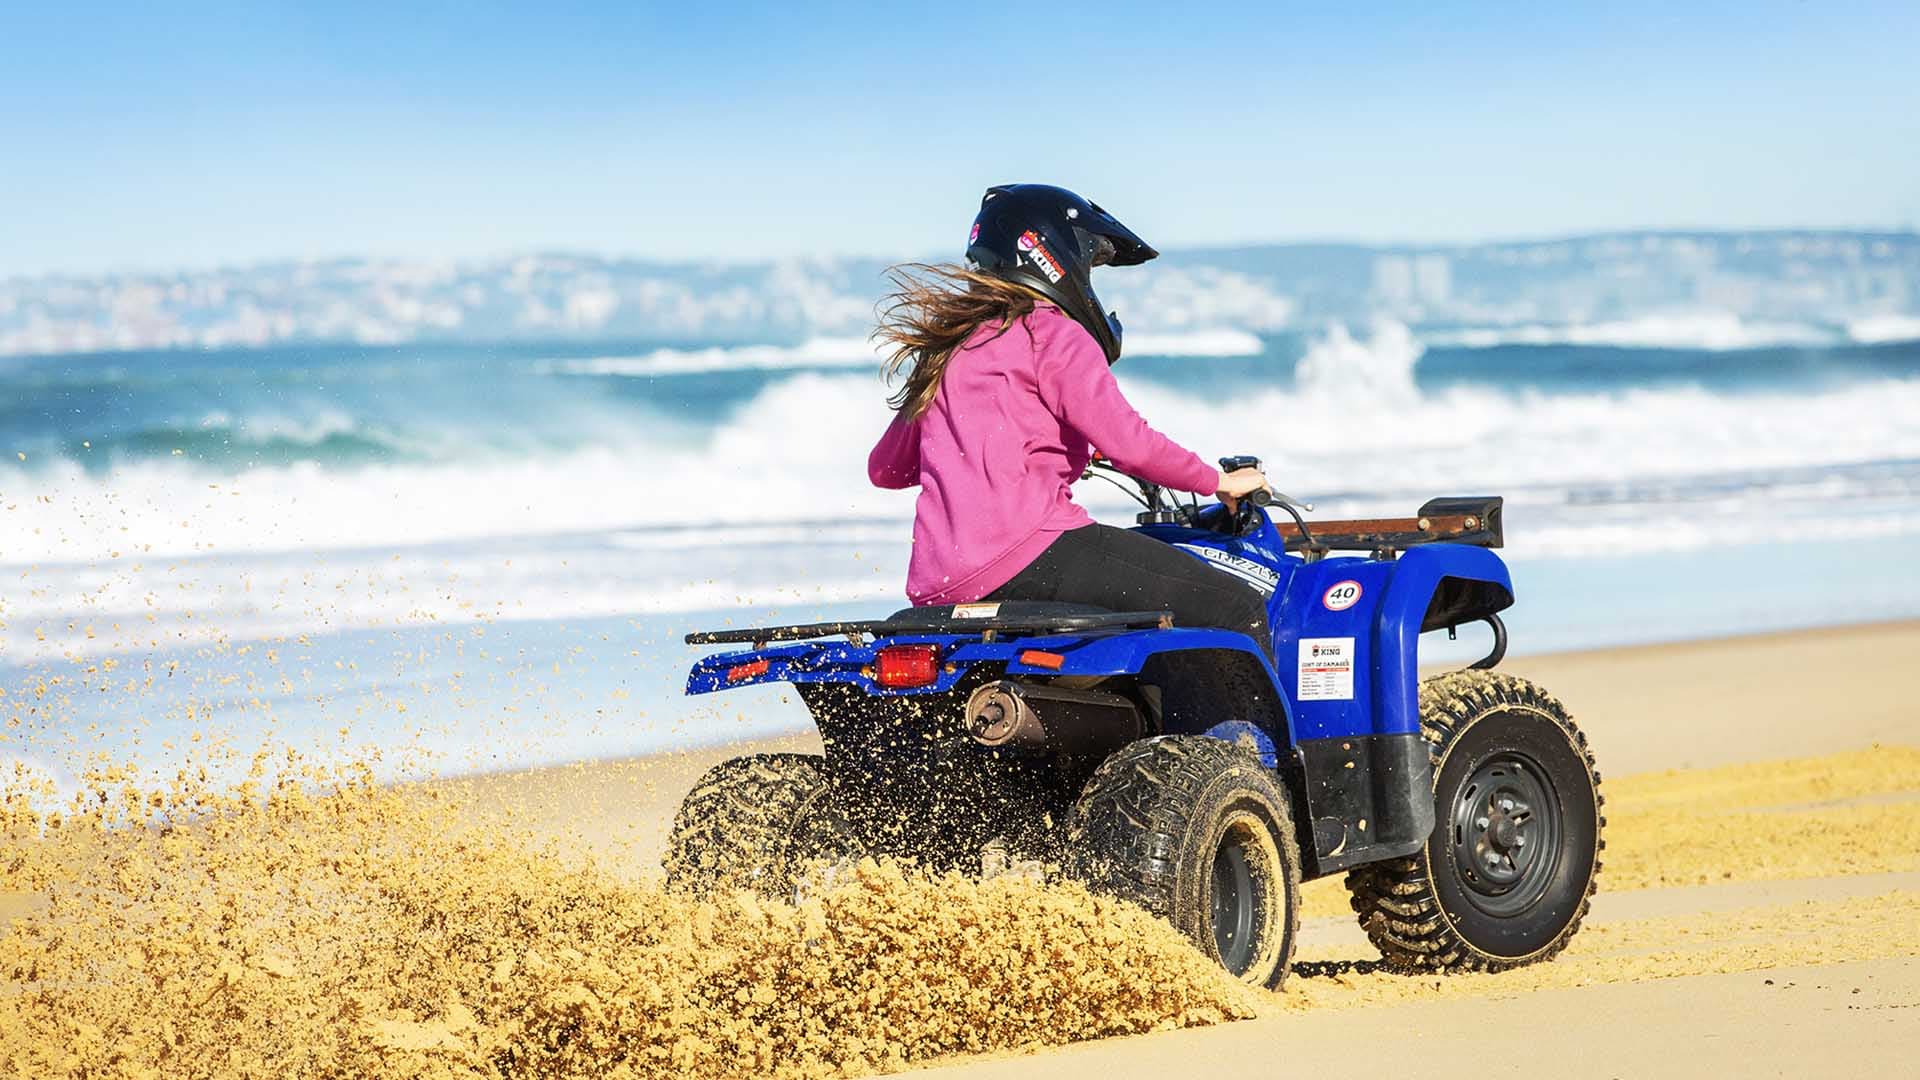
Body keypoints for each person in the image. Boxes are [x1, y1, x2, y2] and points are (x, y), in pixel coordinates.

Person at [866, 183, 1273, 653]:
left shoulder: (948, 349)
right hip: (1031, 552)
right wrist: (1218, 482)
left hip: (937, 585)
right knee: (1236, 607)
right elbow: (1132, 444)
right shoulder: (1051, 333)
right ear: (1053, 256)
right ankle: (1244, 730)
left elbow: (886, 469)